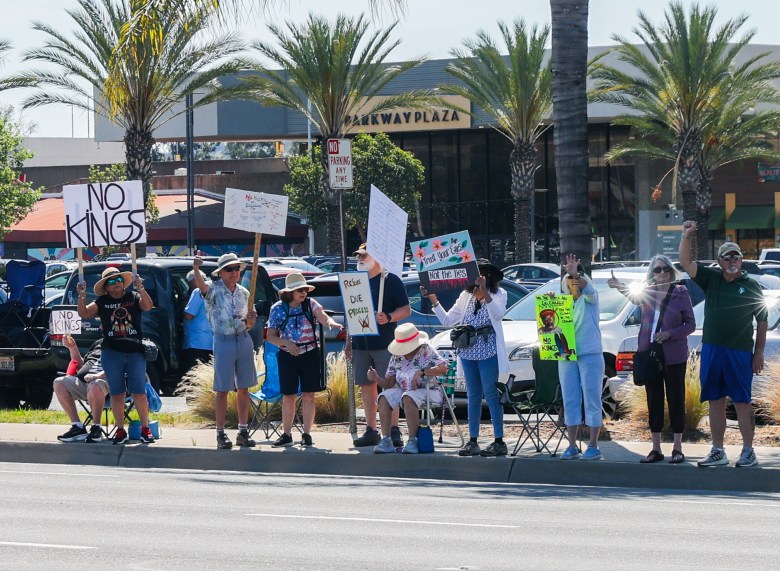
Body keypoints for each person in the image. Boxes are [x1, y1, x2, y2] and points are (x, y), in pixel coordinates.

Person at [678, 223, 767, 467]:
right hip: (712, 349)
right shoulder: (711, 278)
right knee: (715, 400)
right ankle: (718, 450)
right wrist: (686, 236)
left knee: (742, 401)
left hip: (739, 352)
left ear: (741, 260)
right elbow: (685, 261)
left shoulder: (750, 284)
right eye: (727, 257)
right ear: (719, 261)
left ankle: (748, 451)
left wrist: (758, 352)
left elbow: (762, 321)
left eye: (736, 256)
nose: (732, 261)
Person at [609, 255, 695, 464]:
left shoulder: (680, 292)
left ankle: (677, 447)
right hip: (650, 354)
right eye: (657, 270)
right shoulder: (648, 293)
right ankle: (655, 448)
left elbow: (690, 324)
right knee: (653, 399)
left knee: (675, 398)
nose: (662, 273)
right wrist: (619, 286)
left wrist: (670, 333)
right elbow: (634, 298)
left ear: (671, 271)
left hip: (673, 355)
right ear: (652, 274)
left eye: (665, 269)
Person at [422, 259, 508, 457]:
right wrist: (434, 299)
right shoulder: (465, 296)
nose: (478, 279)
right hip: (468, 351)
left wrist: (485, 291)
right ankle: (473, 440)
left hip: (488, 350)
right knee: (473, 396)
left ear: (490, 277)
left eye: (482, 275)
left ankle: (499, 440)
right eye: (476, 275)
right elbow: (448, 320)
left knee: (491, 394)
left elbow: (497, 314)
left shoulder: (499, 294)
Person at [77, 267, 155, 445]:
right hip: (112, 351)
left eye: (119, 280)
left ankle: (145, 428)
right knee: (117, 393)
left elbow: (148, 306)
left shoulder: (133, 297)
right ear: (106, 287)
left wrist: (141, 288)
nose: (117, 283)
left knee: (139, 392)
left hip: (135, 350)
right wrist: (82, 295)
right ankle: (120, 430)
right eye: (111, 282)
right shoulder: (102, 301)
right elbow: (83, 313)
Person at [266, 273, 342, 447]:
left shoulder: (310, 304)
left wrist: (331, 323)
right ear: (289, 292)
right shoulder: (278, 308)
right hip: (287, 356)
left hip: (310, 354)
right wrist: (286, 344)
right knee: (289, 396)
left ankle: (306, 434)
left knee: (309, 395)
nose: (304, 293)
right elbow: (271, 336)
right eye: (300, 290)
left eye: (305, 289)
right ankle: (286, 434)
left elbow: (322, 316)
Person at [347, 244, 411, 448]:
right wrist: (348, 341)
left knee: (389, 385)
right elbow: (352, 313)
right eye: (358, 256)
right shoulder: (355, 282)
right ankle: (371, 430)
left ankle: (393, 430)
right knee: (367, 387)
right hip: (361, 343)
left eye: (364, 256)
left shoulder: (390, 280)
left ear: (376, 258)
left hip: (385, 344)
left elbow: (406, 309)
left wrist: (389, 317)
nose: (360, 259)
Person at [192, 253, 257, 450]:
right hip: (223, 339)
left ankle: (243, 431)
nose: (234, 272)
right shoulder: (213, 290)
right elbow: (201, 287)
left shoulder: (245, 292)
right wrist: (196, 268)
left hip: (243, 338)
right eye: (229, 269)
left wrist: (251, 320)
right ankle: (220, 433)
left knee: (244, 387)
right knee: (222, 389)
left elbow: (250, 323)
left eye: (237, 268)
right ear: (220, 273)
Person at [367, 323, 450, 454]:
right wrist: (376, 378)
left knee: (408, 397)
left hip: (430, 389)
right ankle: (386, 440)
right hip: (404, 390)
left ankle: (412, 440)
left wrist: (422, 372)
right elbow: (389, 383)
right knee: (383, 397)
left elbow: (444, 368)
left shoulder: (425, 349)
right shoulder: (397, 355)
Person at [556, 254, 604, 460]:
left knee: (592, 399)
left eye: (575, 281)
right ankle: (572, 445)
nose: (572, 284)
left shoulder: (590, 298)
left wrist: (576, 275)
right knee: (570, 399)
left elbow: (589, 290)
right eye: (569, 281)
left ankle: (593, 445)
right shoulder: (562, 304)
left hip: (590, 353)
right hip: (567, 356)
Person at [54, 336, 110, 443]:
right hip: (85, 382)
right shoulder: (98, 342)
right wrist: (73, 348)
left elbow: (118, 368)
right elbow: (81, 366)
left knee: (95, 384)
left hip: (106, 382)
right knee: (59, 382)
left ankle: (96, 428)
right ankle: (78, 427)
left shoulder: (118, 343)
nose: (100, 326)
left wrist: (96, 376)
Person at [182, 269, 213, 372]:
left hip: (197, 342)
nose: (189, 287)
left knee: (195, 376)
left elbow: (189, 315)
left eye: (190, 283)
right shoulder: (217, 289)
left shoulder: (198, 291)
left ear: (195, 280)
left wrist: (183, 308)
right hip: (213, 342)